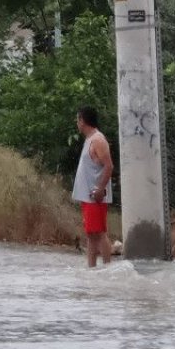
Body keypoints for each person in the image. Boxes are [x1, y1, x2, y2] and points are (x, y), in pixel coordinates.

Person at [71, 106, 114, 267]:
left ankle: (108, 268)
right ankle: (91, 269)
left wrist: (99, 189)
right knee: (91, 234)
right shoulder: (89, 140)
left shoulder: (98, 140)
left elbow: (109, 166)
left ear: (83, 121)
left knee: (99, 233)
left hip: (95, 195)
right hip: (87, 196)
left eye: (78, 119)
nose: (77, 123)